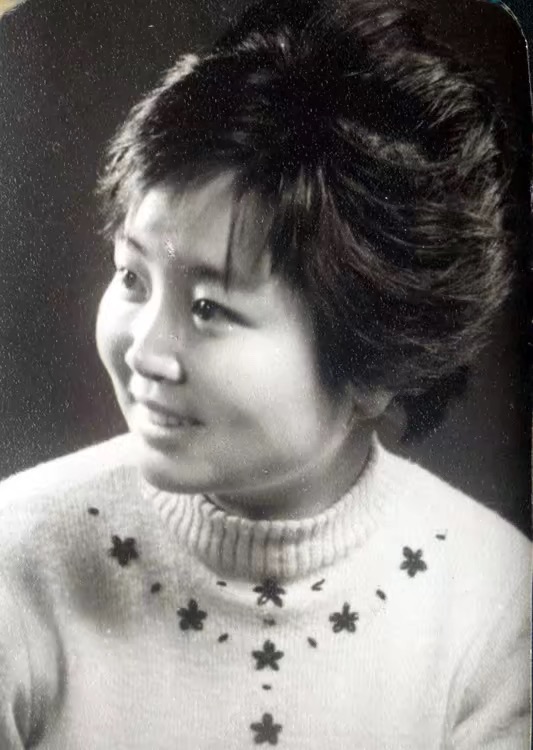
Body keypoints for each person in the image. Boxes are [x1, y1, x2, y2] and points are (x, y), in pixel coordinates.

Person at [0, 0, 530, 747]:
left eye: (209, 308)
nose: (145, 351)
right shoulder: (17, 560)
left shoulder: (495, 604)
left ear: (375, 364)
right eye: (132, 277)